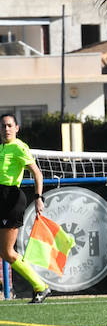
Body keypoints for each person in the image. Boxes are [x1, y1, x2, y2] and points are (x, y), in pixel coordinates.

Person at [0, 114, 51, 303]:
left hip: (10, 199)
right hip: (1, 198)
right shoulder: (1, 148)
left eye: (9, 125)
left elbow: (37, 173)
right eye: (3, 126)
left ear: (16, 128)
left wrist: (39, 198)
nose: (6, 129)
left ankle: (41, 286)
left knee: (7, 252)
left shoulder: (19, 147)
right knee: (4, 251)